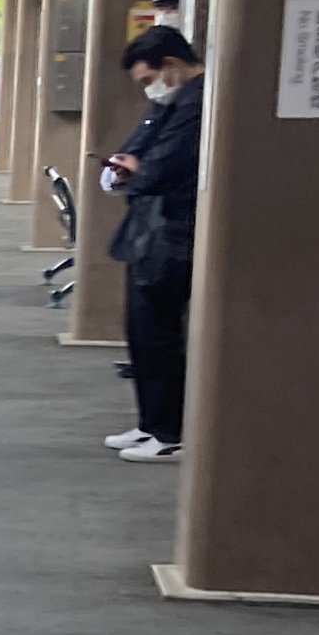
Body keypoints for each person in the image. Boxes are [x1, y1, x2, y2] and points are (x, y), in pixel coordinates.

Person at [99, 24, 202, 462]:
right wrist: (128, 166)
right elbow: (135, 154)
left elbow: (156, 169)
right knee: (142, 333)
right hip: (150, 232)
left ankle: (169, 433)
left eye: (148, 80)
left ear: (172, 66)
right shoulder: (171, 102)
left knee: (159, 335)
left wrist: (136, 169)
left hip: (172, 232)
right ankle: (151, 424)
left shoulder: (197, 103)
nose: (149, 90)